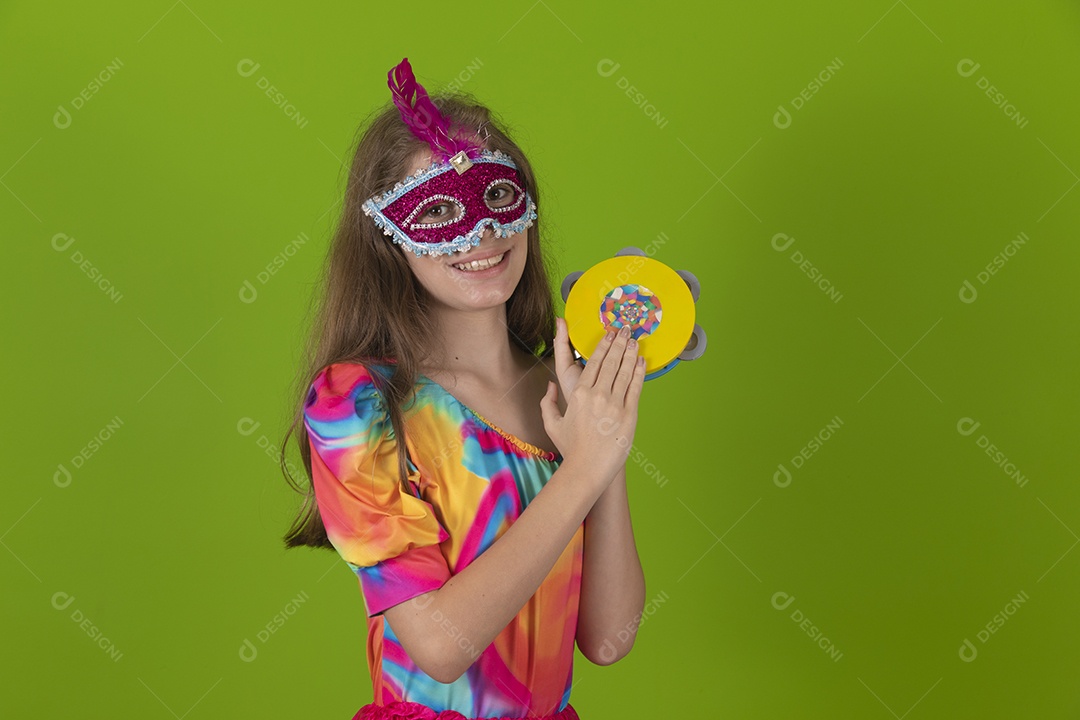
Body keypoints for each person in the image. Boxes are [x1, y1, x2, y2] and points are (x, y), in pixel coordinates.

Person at [281, 58, 647, 720]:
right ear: (386, 238)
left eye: (500, 197)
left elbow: (607, 638)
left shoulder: (561, 390)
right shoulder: (356, 404)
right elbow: (441, 649)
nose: (481, 231)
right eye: (440, 210)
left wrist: (606, 446)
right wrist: (583, 468)